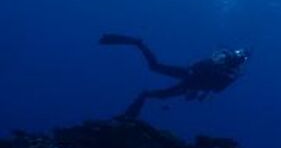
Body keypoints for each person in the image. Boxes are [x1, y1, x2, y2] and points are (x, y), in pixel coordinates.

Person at [98, 33, 250, 119]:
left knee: (155, 70)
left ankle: (138, 44)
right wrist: (200, 90)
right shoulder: (230, 73)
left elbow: (207, 75)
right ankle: (138, 44)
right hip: (191, 79)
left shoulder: (227, 69)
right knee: (158, 89)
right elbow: (215, 86)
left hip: (189, 77)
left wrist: (199, 90)